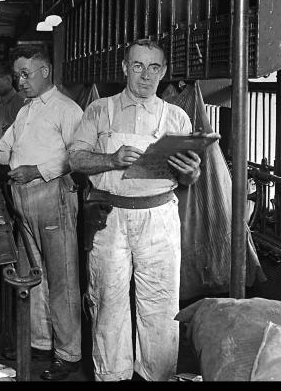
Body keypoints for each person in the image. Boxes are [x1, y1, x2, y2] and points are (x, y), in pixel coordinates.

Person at [68, 38, 201, 382]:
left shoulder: (177, 117)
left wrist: (191, 172)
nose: (145, 75)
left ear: (164, 71)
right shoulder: (100, 110)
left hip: (158, 218)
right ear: (126, 68)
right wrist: (110, 159)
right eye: (138, 66)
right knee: (107, 300)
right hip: (109, 217)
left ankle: (158, 375)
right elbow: (75, 158)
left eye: (154, 67)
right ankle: (111, 374)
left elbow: (189, 176)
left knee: (160, 303)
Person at [0, 46, 83, 381]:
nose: (20, 81)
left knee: (62, 278)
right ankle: (40, 342)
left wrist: (37, 170)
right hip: (23, 196)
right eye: (17, 74)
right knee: (33, 273)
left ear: (45, 71)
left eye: (25, 74)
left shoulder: (67, 109)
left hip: (53, 194)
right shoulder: (25, 109)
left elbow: (77, 156)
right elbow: (6, 151)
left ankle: (69, 353)